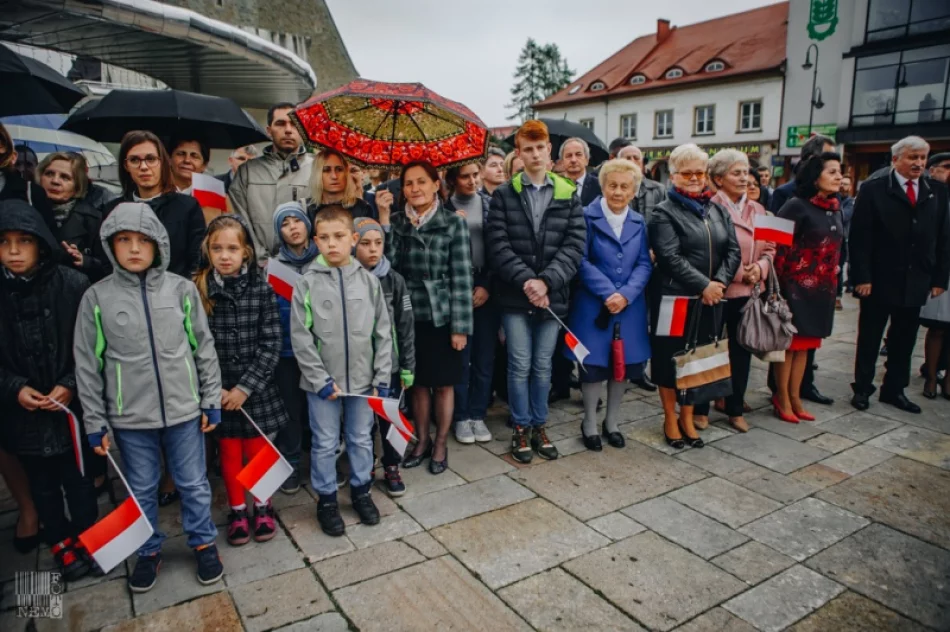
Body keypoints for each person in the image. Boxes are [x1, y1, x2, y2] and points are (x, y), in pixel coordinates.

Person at [75, 202, 224, 594]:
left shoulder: (181, 290)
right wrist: (95, 422)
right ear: (110, 245)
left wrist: (210, 398)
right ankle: (147, 548)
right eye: (124, 240)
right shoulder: (97, 298)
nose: (135, 248)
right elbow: (88, 365)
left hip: (183, 410)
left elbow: (203, 347)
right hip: (129, 417)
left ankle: (204, 541)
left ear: (158, 244)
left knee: (193, 482)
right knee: (140, 486)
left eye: (143, 240)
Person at [0, 199, 98, 580]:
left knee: (80, 478)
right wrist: (14, 388)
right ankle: (58, 539)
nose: (13, 251)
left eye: (23, 241)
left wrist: (70, 384)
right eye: (4, 242)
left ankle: (88, 534)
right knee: (41, 483)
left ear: (40, 242)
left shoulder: (72, 285)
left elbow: (92, 344)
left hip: (70, 408)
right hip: (23, 410)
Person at [487, 120, 585, 464]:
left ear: (549, 151)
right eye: (527, 149)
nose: (534, 154)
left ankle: (539, 425)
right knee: (519, 364)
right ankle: (520, 426)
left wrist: (547, 281)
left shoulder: (568, 192)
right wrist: (529, 281)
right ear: (519, 152)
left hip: (552, 296)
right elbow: (498, 245)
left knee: (543, 365)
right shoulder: (504, 194)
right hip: (516, 297)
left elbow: (574, 246)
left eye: (539, 148)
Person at [290, 205, 392, 536]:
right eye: (325, 238)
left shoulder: (368, 282)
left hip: (362, 383)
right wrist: (319, 380)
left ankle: (362, 490)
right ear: (316, 240)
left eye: (339, 237)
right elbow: (301, 337)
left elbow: (382, 332)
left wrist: (382, 376)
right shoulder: (306, 283)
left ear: (352, 239)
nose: (332, 244)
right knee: (324, 441)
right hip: (323, 384)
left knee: (362, 437)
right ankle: (327, 500)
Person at [194, 215, 288, 546]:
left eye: (232, 248)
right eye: (217, 248)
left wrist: (245, 388)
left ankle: (262, 505)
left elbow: (271, 342)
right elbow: (192, 343)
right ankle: (237, 509)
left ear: (246, 252)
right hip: (218, 390)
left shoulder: (262, 288)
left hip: (255, 390)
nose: (225, 255)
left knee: (258, 449)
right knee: (230, 452)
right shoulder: (198, 289)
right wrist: (213, 388)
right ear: (208, 249)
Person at [377, 161, 473, 474]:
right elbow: (385, 267)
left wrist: (460, 327)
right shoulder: (396, 223)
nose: (415, 189)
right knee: (417, 384)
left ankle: (441, 443)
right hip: (407, 314)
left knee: (443, 384)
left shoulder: (452, 223)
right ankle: (422, 440)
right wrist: (384, 224)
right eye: (408, 183)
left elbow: (461, 277)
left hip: (442, 314)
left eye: (421, 182)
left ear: (436, 184)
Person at [649, 143, 741, 449]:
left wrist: (720, 283)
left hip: (711, 299)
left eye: (699, 172)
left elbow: (733, 250)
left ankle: (688, 417)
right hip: (674, 299)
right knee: (669, 359)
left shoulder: (716, 208)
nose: (694, 178)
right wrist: (704, 284)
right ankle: (669, 417)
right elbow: (669, 257)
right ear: (673, 175)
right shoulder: (663, 212)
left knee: (698, 359)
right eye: (686, 173)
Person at [850, 137, 950, 414]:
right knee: (870, 337)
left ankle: (894, 389)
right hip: (879, 279)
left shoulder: (936, 192)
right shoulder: (874, 189)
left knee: (904, 339)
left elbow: (943, 237)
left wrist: (940, 278)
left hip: (916, 278)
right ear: (895, 160)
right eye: (912, 157)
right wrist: (861, 277)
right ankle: (862, 388)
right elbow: (859, 238)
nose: (919, 163)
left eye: (922, 158)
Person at [567, 160, 651, 450]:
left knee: (623, 366)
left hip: (630, 308)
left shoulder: (639, 222)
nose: (617, 191)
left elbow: (644, 263)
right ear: (602, 186)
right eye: (612, 185)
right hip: (593, 306)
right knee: (592, 365)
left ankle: (612, 422)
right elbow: (580, 259)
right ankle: (589, 421)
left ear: (633, 191)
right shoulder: (585, 216)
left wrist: (626, 294)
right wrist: (607, 292)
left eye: (624, 186)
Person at [694, 150, 775, 432]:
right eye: (736, 173)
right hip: (718, 290)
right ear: (718, 178)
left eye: (746, 173)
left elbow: (771, 247)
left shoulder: (760, 210)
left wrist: (761, 268)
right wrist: (742, 271)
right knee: (709, 350)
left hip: (748, 293)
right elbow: (707, 251)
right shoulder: (707, 208)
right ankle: (701, 408)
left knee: (742, 351)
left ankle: (735, 407)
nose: (744, 178)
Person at [772, 153, 844, 422]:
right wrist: (779, 288)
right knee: (790, 346)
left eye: (840, 171)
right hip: (794, 288)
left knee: (805, 347)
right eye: (832, 172)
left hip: (822, 290)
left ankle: (795, 397)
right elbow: (776, 246)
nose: (839, 176)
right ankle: (782, 398)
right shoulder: (795, 206)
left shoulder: (834, 207)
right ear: (815, 177)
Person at [353, 217, 415, 496]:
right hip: (358, 367)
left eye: (378, 243)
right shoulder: (347, 279)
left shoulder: (394, 280)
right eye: (365, 243)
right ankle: (365, 465)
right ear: (354, 243)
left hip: (388, 364)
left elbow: (405, 325)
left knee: (389, 419)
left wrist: (407, 366)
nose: (373, 249)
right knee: (362, 422)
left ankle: (392, 465)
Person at [97, 131, 206, 280]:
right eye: (134, 160)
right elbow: (106, 262)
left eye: (151, 159)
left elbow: (196, 261)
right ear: (126, 165)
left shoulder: (187, 207)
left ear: (162, 162)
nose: (143, 167)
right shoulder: (113, 210)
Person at [444, 163, 496, 445]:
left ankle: (478, 413)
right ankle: (461, 416)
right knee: (461, 357)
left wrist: (486, 284)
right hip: (456, 288)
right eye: (465, 176)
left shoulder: (489, 204)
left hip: (484, 286)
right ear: (453, 180)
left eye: (476, 174)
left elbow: (497, 247)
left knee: (484, 357)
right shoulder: (445, 208)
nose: (473, 180)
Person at [270, 202, 319, 494]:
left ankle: (324, 460)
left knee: (321, 408)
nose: (293, 227)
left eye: (297, 221)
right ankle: (290, 462)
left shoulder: (325, 260)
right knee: (290, 410)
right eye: (285, 223)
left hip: (321, 350)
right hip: (288, 352)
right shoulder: (274, 268)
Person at [228, 102, 314, 263]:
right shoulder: (248, 171)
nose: (288, 130)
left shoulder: (317, 169)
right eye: (280, 124)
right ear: (269, 131)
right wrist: (260, 257)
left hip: (306, 266)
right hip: (257, 267)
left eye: (294, 124)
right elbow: (238, 219)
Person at [36, 151, 107, 280]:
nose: (55, 181)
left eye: (65, 177)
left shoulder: (93, 220)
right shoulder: (27, 213)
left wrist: (84, 261)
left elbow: (107, 268)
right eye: (49, 174)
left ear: (77, 186)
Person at [919, 152, 950, 397]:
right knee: (937, 326)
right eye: (947, 167)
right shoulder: (933, 194)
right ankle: (930, 376)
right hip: (939, 267)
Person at [0, 125, 56, 232]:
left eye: (28, 164)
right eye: (19, 164)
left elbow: (50, 241)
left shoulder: (32, 193)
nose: (22, 168)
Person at [306, 148, 374, 223]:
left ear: (346, 173)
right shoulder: (307, 209)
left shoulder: (362, 208)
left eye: (339, 169)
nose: (334, 176)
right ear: (317, 174)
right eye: (326, 170)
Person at [617, 145, 666, 224]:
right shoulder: (612, 191)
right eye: (628, 158)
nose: (632, 161)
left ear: (642, 163)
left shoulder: (659, 189)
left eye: (636, 158)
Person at [561, 138, 601, 206]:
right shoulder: (554, 187)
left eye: (578, 154)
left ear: (587, 160)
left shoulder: (599, 186)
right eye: (569, 156)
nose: (573, 160)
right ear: (562, 162)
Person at [837, 175, 855, 309]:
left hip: (842, 240)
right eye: (841, 183)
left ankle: (838, 297)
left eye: (846, 184)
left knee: (839, 268)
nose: (843, 186)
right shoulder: (833, 199)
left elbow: (844, 216)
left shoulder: (850, 202)